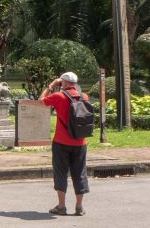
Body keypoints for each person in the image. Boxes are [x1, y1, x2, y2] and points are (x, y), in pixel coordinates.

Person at [39, 71, 90, 217]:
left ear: (64, 83)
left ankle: (61, 206)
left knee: (61, 172)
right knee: (80, 173)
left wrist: (52, 85)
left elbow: (41, 100)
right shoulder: (84, 96)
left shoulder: (59, 96)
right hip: (80, 142)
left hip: (61, 141)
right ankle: (79, 207)